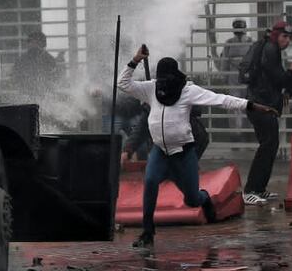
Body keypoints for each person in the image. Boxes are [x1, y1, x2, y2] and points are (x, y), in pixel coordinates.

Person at [118, 45, 276, 249]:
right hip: (160, 152)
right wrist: (135, 60)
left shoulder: (188, 91)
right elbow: (123, 83)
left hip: (184, 154)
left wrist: (252, 105)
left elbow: (221, 100)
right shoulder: (151, 88)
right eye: (161, 80)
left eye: (168, 80)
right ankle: (148, 232)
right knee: (150, 182)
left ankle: (205, 199)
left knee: (192, 199)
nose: (164, 85)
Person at [242, 20, 292, 205]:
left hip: (264, 105)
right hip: (262, 107)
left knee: (270, 146)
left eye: (289, 38)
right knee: (267, 146)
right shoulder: (270, 49)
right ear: (275, 35)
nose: (287, 41)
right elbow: (278, 78)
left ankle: (259, 189)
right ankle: (250, 190)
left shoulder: (269, 48)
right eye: (284, 36)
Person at [10, 29, 63, 100]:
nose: (34, 44)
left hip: (45, 96)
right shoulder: (21, 60)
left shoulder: (49, 60)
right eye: (31, 42)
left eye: (37, 42)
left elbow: (55, 79)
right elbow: (15, 78)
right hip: (26, 96)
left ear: (43, 44)